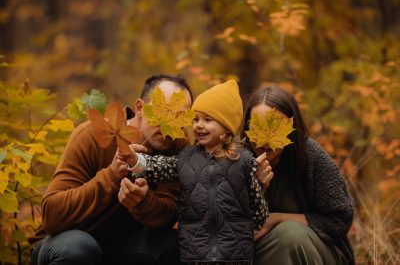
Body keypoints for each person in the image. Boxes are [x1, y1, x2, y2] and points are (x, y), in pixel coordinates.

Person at [29, 74, 193, 265]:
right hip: (63, 243)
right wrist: (111, 176)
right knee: (79, 248)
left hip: (121, 247)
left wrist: (143, 202)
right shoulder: (92, 136)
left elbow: (167, 214)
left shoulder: (177, 147)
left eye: (180, 116)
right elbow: (52, 216)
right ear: (140, 108)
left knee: (172, 244)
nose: (171, 124)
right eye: (163, 112)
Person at [119, 79, 269, 264]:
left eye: (207, 120)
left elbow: (258, 209)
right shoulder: (187, 157)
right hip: (195, 250)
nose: (198, 125)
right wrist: (137, 161)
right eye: (196, 119)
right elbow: (160, 166)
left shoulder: (245, 161)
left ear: (227, 127)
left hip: (234, 251)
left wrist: (257, 198)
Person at [241, 85, 355, 265]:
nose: (265, 138)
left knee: (289, 236)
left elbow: (339, 219)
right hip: (257, 251)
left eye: (275, 126)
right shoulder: (236, 157)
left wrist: (276, 219)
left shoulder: (311, 156)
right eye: (257, 126)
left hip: (318, 251)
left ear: (292, 127)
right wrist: (254, 186)